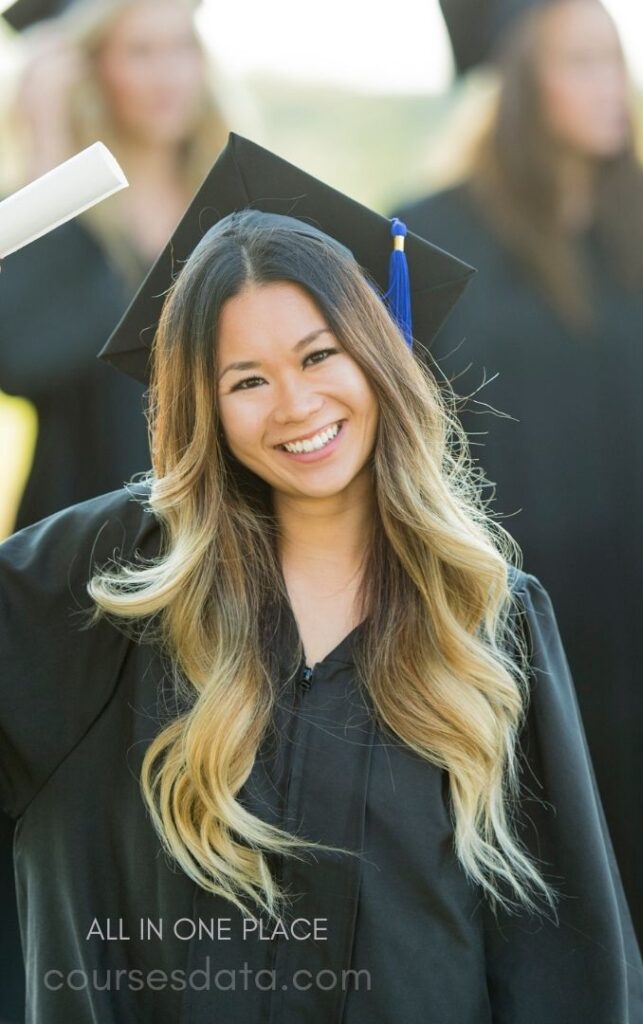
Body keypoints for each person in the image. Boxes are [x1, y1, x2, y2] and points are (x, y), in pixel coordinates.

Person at [0, 132, 643, 1023]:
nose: (298, 406)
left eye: (318, 356)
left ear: (378, 354)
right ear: (205, 403)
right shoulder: (112, 585)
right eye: (246, 380)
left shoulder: (482, 614)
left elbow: (564, 953)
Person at [397, 2, 643, 1019]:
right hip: (510, 637)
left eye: (616, 61)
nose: (614, 86)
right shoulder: (423, 233)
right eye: (582, 63)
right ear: (516, 83)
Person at [0, 2, 227, 1016]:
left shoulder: (236, 204)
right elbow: (24, 351)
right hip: (91, 546)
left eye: (183, 44)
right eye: (141, 49)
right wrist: (52, 147)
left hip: (227, 546)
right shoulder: (58, 213)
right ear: (94, 71)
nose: (171, 71)